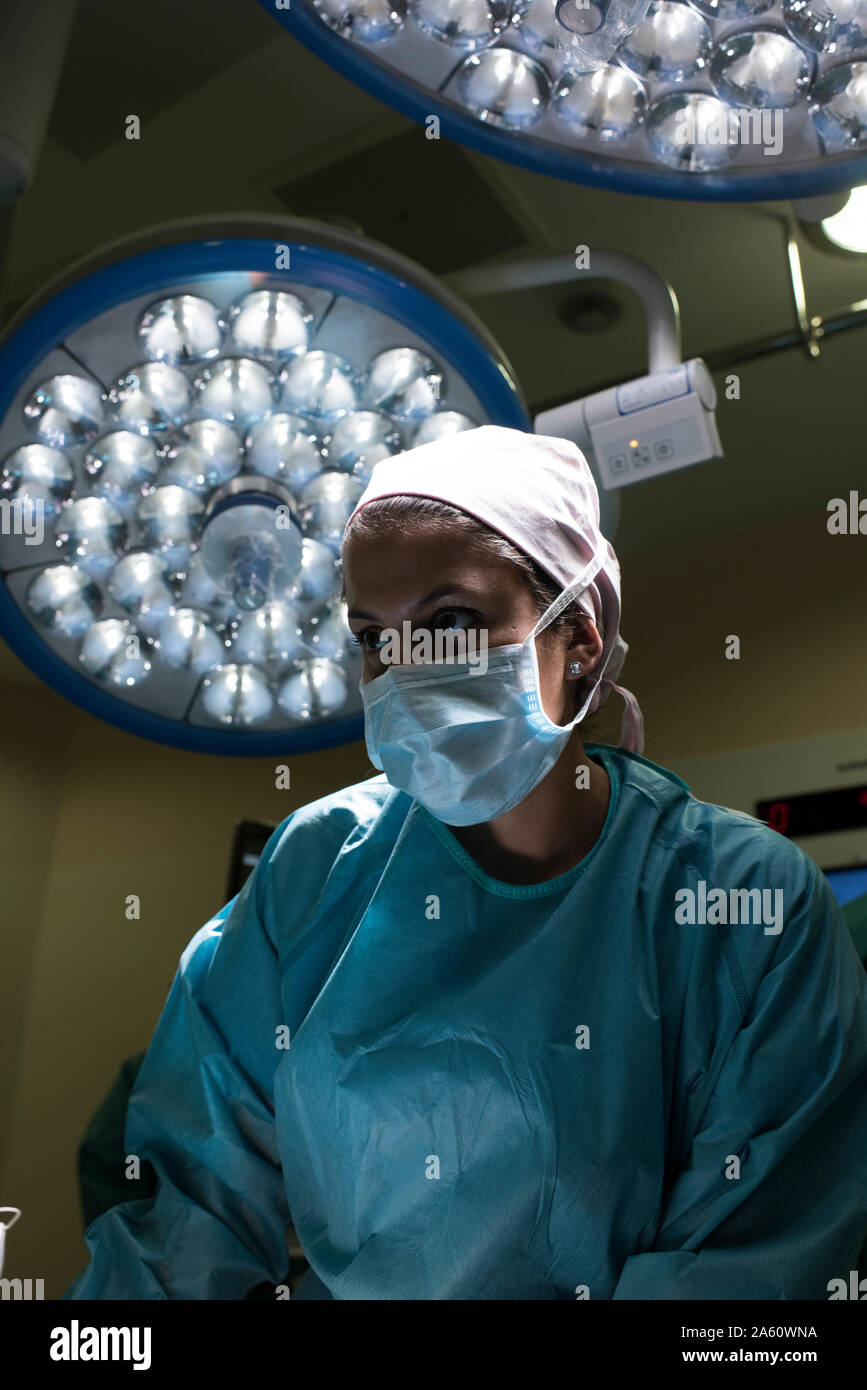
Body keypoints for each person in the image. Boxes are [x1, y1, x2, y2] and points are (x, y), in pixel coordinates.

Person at [64, 426, 867, 1300]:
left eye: (451, 622)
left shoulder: (740, 902)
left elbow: (747, 1276)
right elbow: (182, 1215)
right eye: (374, 637)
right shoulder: (315, 871)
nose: (407, 671)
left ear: (581, 637)